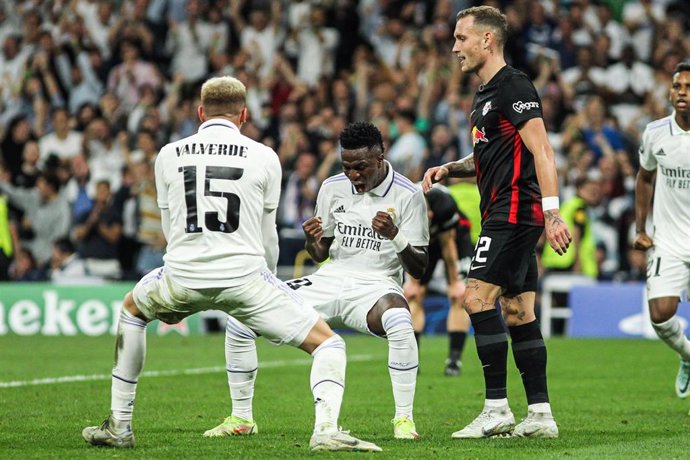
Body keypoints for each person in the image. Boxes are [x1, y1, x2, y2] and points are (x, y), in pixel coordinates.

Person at [82, 76, 380, 452]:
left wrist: (177, 284)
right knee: (329, 345)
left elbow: (171, 229)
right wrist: (271, 284)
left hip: (182, 273)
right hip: (245, 278)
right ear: (244, 114)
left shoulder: (169, 154)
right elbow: (267, 234)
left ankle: (120, 426)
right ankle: (325, 431)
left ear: (200, 113)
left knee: (132, 311)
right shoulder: (264, 156)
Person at [205, 122, 430, 440]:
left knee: (400, 321)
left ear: (381, 158)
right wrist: (313, 240)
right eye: (347, 166)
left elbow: (419, 267)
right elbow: (321, 252)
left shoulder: (409, 195)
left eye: (361, 167)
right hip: (330, 277)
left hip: (376, 285)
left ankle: (404, 421)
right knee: (242, 317)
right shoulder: (332, 187)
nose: (354, 175)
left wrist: (395, 236)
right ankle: (241, 418)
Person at [422, 6, 571, 439]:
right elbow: (489, 155)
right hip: (508, 214)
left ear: (487, 40)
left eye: (461, 38)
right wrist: (450, 168)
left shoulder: (514, 86)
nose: (454, 48)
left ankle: (496, 409)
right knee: (518, 310)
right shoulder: (485, 96)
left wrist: (553, 212)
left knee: (475, 298)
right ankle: (540, 415)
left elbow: (542, 150)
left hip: (512, 215)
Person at [633, 62, 690, 400]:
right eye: (678, 87)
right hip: (667, 240)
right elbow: (644, 177)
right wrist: (641, 228)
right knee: (660, 315)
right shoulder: (655, 132)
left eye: (689, 87)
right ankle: (687, 356)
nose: (682, 93)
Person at [404, 184, 472, 376]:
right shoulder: (399, 207)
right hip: (422, 245)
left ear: (431, 213)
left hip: (454, 236)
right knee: (413, 296)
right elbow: (405, 248)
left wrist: (456, 282)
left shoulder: (444, 205)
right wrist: (413, 283)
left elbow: (448, 245)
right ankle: (412, 360)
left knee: (459, 296)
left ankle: (454, 361)